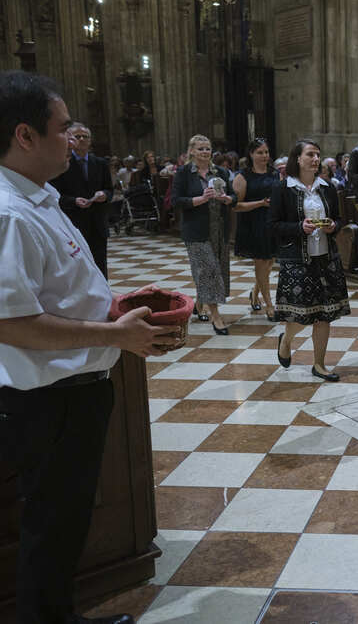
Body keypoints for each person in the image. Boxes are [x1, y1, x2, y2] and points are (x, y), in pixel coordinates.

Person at [0, 69, 176, 624]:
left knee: (65, 523)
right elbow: (12, 323)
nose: (72, 138)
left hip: (74, 389)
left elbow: (62, 289)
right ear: (25, 135)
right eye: (62, 127)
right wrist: (114, 335)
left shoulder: (40, 197)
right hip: (49, 399)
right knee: (51, 527)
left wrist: (116, 302)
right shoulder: (9, 213)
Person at [270, 139, 350, 381]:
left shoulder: (327, 187)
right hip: (298, 259)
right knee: (302, 314)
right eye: (310, 154)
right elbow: (273, 225)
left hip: (326, 258)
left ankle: (319, 364)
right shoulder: (283, 188)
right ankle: (286, 339)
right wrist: (299, 227)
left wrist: (333, 226)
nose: (315, 159)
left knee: (325, 313)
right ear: (297, 158)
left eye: (317, 154)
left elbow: (339, 219)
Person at [171, 134, 236, 335]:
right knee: (208, 271)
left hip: (219, 230)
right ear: (191, 151)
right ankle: (216, 316)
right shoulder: (183, 173)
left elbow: (233, 196)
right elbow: (176, 201)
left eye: (208, 148)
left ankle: (200, 304)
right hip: (196, 231)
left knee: (215, 269)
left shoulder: (220, 172)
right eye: (200, 148)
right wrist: (199, 199)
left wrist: (227, 198)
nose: (205, 152)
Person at [50, 122, 113, 277]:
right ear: (70, 140)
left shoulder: (100, 163)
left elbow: (109, 190)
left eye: (86, 136)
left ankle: (103, 292)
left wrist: (104, 195)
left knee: (100, 265)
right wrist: (74, 201)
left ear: (90, 141)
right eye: (78, 136)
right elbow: (54, 195)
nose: (82, 139)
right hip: (73, 222)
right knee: (77, 267)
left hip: (97, 223)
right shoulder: (62, 164)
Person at [233, 137, 279, 321]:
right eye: (260, 152)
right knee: (261, 262)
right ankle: (269, 305)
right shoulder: (242, 176)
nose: (264, 155)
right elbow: (236, 206)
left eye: (266, 152)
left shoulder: (275, 173)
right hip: (253, 223)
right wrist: (261, 203)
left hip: (272, 222)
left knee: (269, 263)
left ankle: (254, 294)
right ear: (251, 154)